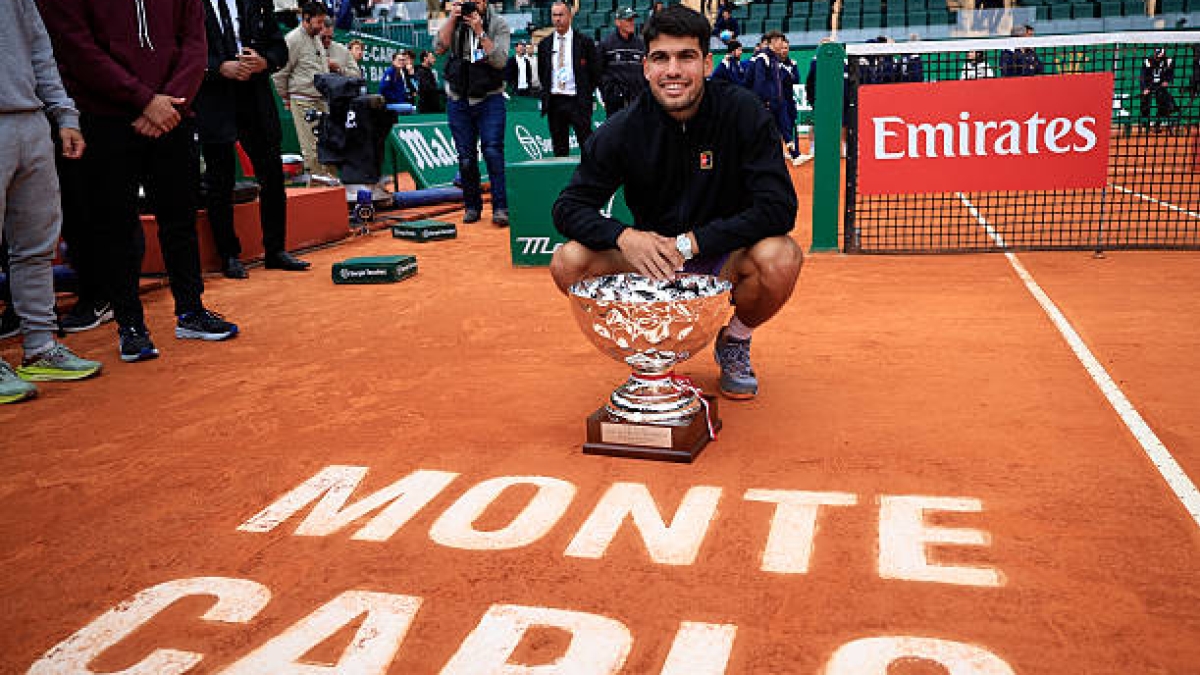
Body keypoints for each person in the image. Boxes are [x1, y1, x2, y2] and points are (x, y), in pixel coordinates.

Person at [550, 5, 801, 401]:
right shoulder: (622, 129)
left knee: (781, 258)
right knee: (569, 262)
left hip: (723, 257)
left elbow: (779, 208)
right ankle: (650, 354)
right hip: (652, 264)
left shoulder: (744, 112)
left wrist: (693, 242)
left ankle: (735, 340)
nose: (673, 71)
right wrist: (624, 237)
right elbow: (568, 207)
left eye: (686, 57)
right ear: (646, 67)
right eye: (660, 58)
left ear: (706, 63)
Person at [42, 0, 241, 363]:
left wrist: (171, 103)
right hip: (105, 117)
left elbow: (195, 43)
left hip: (173, 114)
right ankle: (130, 325)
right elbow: (76, 47)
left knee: (180, 219)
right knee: (115, 225)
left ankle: (191, 310)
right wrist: (144, 100)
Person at [0, 0, 103, 403]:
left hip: (30, 121)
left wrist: (65, 115)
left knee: (37, 245)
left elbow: (40, 49)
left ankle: (41, 347)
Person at [194, 0, 312, 281]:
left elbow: (279, 48)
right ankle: (228, 255)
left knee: (272, 174)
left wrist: (264, 62)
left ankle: (276, 249)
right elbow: (183, 51)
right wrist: (218, 68)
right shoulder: (192, 5)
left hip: (256, 98)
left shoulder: (255, 3)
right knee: (220, 179)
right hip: (215, 99)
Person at [435, 0, 511, 225]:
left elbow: (499, 60)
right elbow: (439, 48)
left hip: (490, 97)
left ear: (485, 2)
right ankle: (472, 206)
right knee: (466, 158)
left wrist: (480, 31)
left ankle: (500, 207)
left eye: (476, 1)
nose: (472, 5)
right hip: (459, 97)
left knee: (493, 152)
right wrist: (452, 18)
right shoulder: (455, 22)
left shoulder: (498, 23)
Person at [274, 2, 338, 180]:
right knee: (311, 148)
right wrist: (286, 98)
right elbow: (280, 72)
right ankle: (318, 185)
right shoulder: (293, 39)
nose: (321, 27)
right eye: (318, 22)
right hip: (302, 99)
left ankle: (333, 183)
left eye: (323, 22)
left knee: (329, 145)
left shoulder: (316, 38)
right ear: (306, 19)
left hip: (321, 99)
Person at [538, 2, 600, 156]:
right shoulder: (544, 45)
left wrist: (585, 93)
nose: (557, 19)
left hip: (577, 101)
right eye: (554, 15)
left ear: (570, 16)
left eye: (561, 15)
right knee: (559, 149)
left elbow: (595, 72)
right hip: (555, 102)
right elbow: (542, 73)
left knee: (587, 146)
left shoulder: (584, 42)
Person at [745, 31, 801, 163]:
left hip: (778, 101)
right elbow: (760, 82)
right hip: (767, 103)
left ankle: (794, 155)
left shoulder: (774, 58)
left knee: (785, 129)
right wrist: (765, 101)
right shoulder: (762, 57)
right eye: (780, 41)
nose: (782, 45)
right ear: (773, 41)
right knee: (764, 132)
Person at [597, 7, 647, 117]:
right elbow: (598, 72)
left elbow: (646, 70)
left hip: (637, 99)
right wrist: (610, 92)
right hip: (615, 102)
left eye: (633, 20)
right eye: (628, 20)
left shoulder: (640, 45)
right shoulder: (606, 44)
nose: (632, 23)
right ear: (618, 22)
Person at [1140, 47, 1178, 131]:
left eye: (1160, 56)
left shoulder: (1168, 61)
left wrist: (1167, 80)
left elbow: (1170, 73)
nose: (1158, 58)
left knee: (1163, 102)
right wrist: (1144, 88)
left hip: (1160, 85)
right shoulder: (1148, 61)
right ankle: (1145, 123)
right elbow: (1143, 76)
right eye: (1156, 56)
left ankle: (1158, 123)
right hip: (1149, 84)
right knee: (1144, 102)